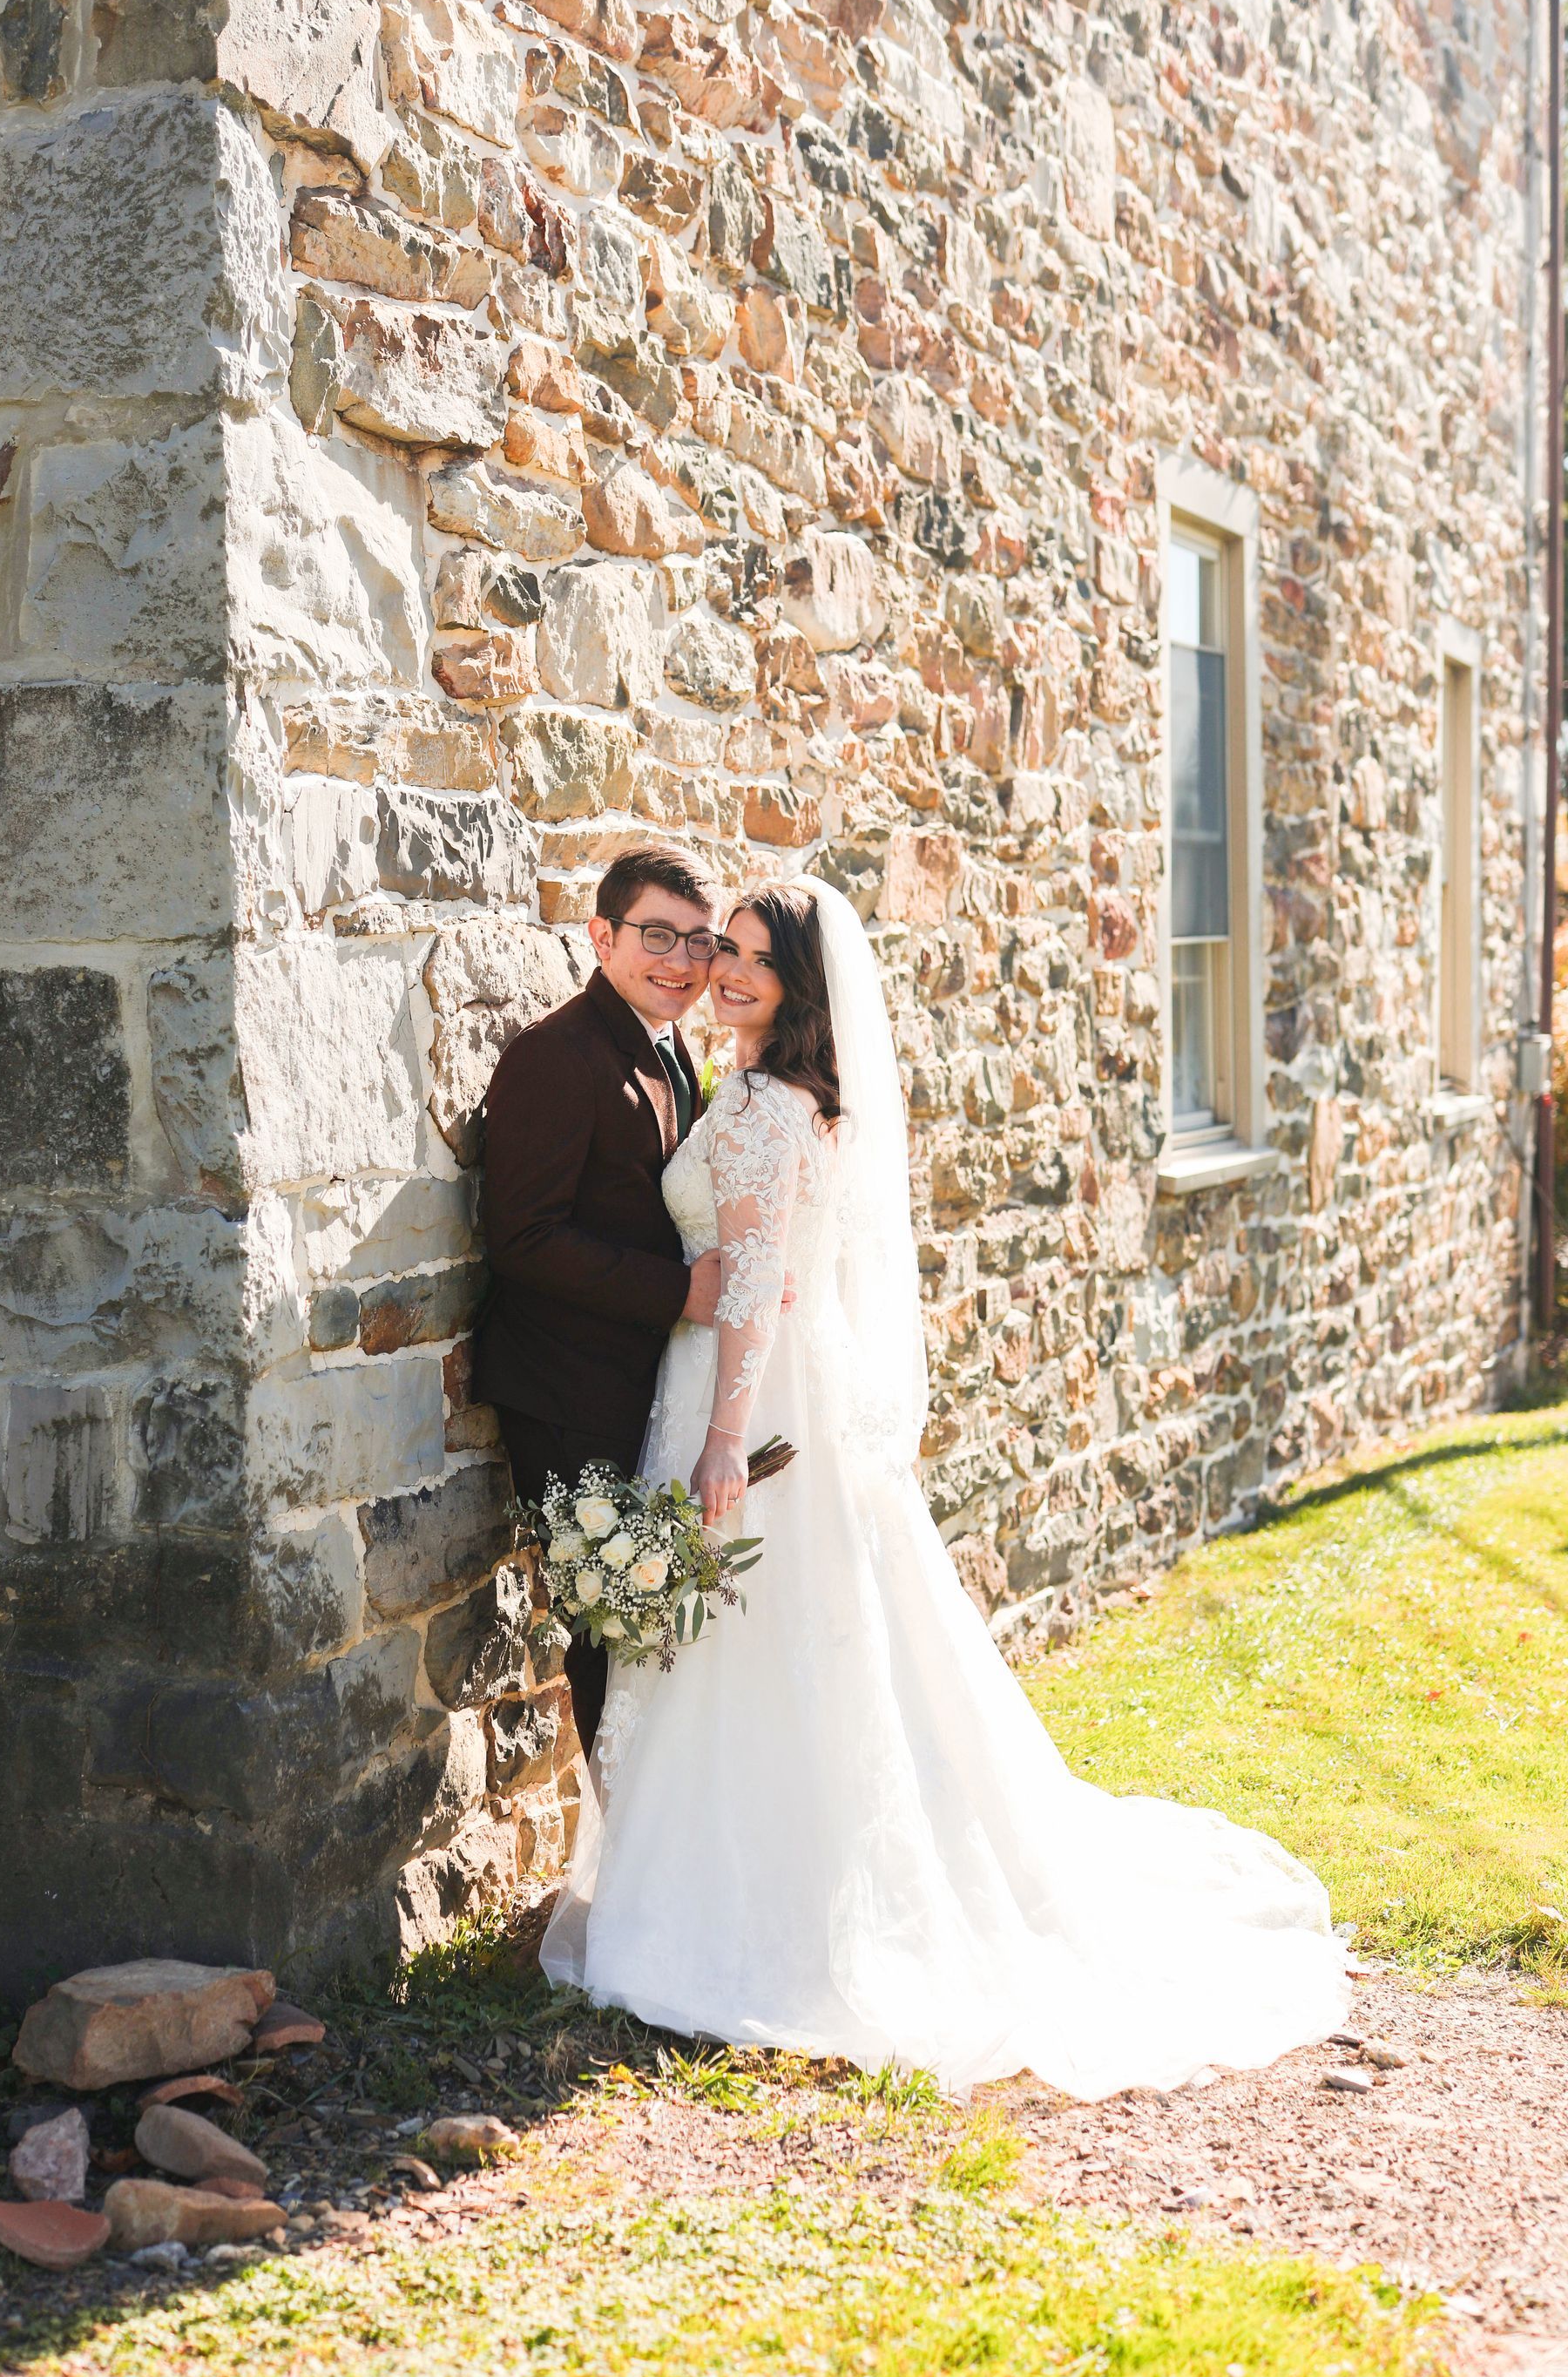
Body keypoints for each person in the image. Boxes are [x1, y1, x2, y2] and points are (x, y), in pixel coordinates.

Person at [541, 875, 1351, 2100]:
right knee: (801, 1645)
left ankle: (750, 1919)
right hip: (771, 1385)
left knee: (757, 1643)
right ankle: (776, 1887)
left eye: (758, 961)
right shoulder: (795, 1096)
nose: (731, 973)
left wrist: (722, 1440)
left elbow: (755, 1287)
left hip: (748, 1399)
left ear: (801, 987)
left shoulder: (762, 1103)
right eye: (728, 953)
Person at [475, 844, 725, 1755]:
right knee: (606, 1633)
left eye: (701, 942)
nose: (682, 962)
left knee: (651, 1621)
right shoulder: (555, 1056)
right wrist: (679, 1292)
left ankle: (658, 1845)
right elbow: (523, 1237)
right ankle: (625, 1866)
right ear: (601, 935)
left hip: (641, 1385)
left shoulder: (670, 1050)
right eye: (657, 935)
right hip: (566, 1394)